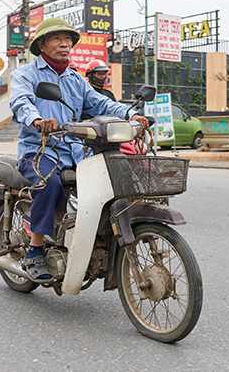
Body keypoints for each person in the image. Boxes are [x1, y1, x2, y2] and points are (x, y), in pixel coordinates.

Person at [9, 17, 149, 283]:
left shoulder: (75, 79)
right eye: (56, 39)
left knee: (110, 180)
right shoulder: (25, 74)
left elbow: (100, 104)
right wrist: (37, 121)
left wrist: (132, 113)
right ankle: (35, 249)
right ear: (42, 44)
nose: (64, 44)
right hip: (39, 150)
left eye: (68, 40)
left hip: (75, 150)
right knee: (49, 185)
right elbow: (21, 102)